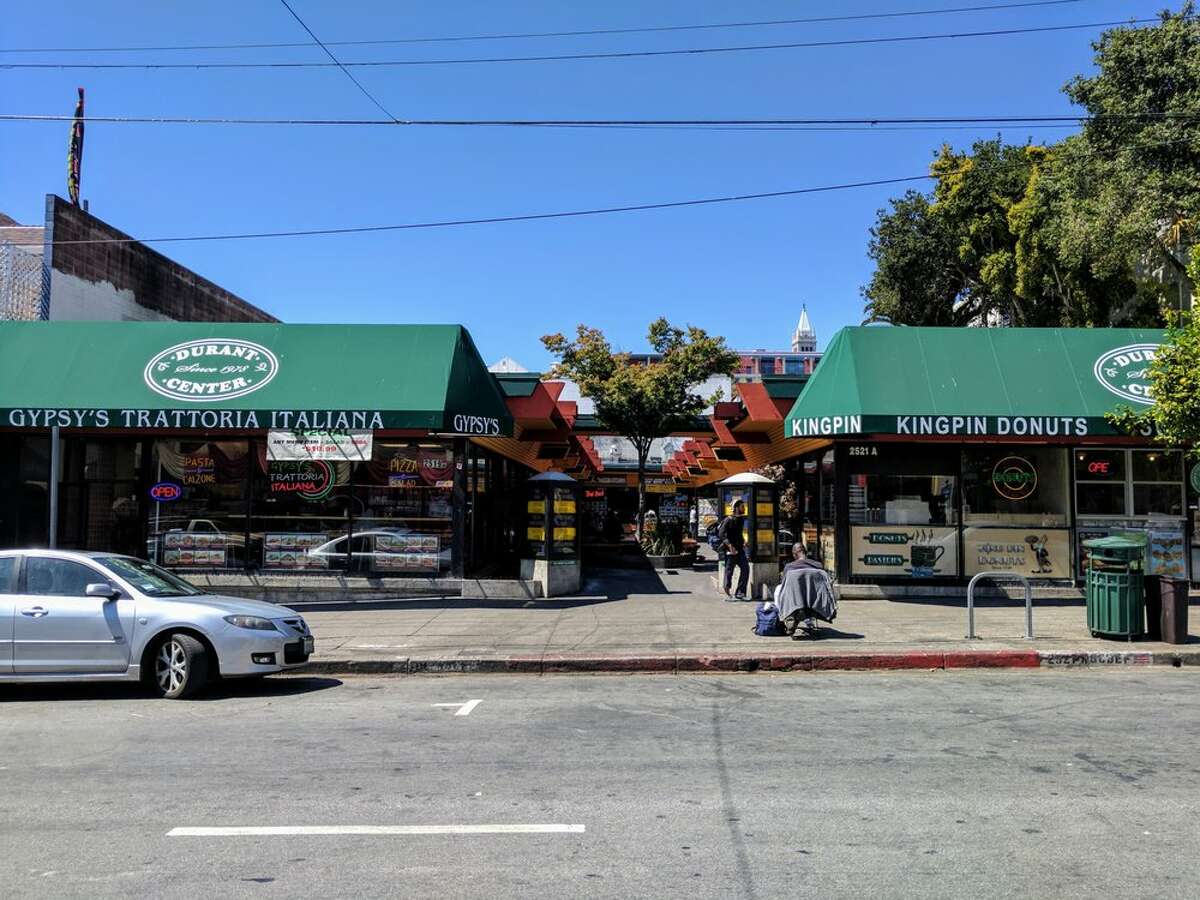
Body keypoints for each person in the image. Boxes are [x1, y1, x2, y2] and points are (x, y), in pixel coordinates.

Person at [777, 542, 823, 631]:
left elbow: (784, 584)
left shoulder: (789, 567)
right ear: (805, 552)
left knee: (778, 590)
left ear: (794, 554)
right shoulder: (818, 566)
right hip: (814, 600)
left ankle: (785, 616)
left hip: (795, 600)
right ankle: (808, 618)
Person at [718, 500, 750, 600]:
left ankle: (740, 592)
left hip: (739, 549)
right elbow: (721, 534)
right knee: (729, 571)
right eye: (742, 506)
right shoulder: (728, 520)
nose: (744, 508)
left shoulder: (741, 520)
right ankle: (727, 592)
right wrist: (730, 545)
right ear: (736, 508)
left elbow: (738, 534)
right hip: (730, 549)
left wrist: (744, 541)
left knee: (745, 568)